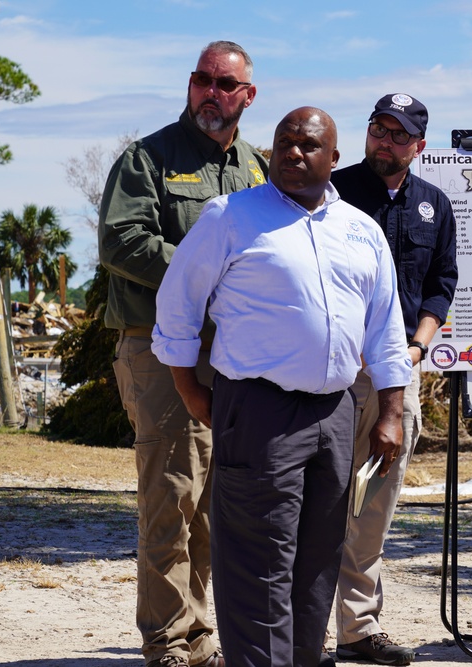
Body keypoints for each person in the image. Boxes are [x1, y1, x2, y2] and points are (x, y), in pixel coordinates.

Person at [151, 106, 414, 667]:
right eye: (285, 143)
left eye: (309, 145)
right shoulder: (230, 217)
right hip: (259, 411)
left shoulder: (360, 231)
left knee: (317, 560)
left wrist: (391, 412)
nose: (294, 153)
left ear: (334, 158)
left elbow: (386, 330)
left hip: (338, 412)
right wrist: (192, 393)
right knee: (258, 562)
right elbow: (176, 310)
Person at [97, 40, 267, 667]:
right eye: (202, 80)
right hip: (160, 349)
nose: (210, 93)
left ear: (247, 96)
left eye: (225, 84)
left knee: (214, 507)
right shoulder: (150, 159)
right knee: (170, 495)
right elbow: (121, 242)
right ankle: (168, 640)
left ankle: (199, 637)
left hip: (234, 356)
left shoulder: (255, 166)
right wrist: (204, 274)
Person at [329, 93, 458, 666]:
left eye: (399, 134)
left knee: (372, 504)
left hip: (396, 374)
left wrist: (416, 346)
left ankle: (357, 629)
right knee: (314, 500)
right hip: (330, 371)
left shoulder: (435, 205)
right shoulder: (330, 191)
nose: (386, 140)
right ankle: (300, 633)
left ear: (418, 146)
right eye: (378, 129)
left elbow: (442, 281)